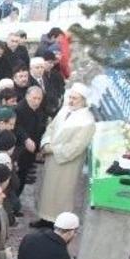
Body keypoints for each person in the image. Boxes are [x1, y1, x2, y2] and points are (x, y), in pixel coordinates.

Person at [32, 83, 96, 228]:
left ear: (83, 101)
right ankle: (44, 218)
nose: (71, 101)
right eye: (70, 97)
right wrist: (46, 142)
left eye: (75, 99)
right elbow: (51, 127)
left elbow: (76, 147)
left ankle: (57, 221)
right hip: (51, 158)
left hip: (66, 164)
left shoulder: (87, 121)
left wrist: (53, 149)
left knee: (61, 193)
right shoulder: (65, 110)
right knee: (46, 191)